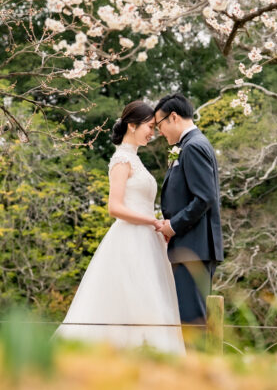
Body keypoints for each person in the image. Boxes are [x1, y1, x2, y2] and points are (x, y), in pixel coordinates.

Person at [54, 100, 185, 355]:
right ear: (132, 125)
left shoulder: (135, 160)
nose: (153, 132)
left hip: (147, 241)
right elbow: (114, 208)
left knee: (150, 302)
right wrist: (153, 221)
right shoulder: (121, 159)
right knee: (130, 301)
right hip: (130, 240)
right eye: (149, 126)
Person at [153, 93, 224, 330]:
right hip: (190, 247)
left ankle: (199, 367)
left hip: (193, 248)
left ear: (173, 117)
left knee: (193, 323)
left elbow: (205, 198)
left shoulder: (193, 146)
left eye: (159, 125)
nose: (159, 132)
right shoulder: (187, 145)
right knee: (187, 321)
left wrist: (173, 226)